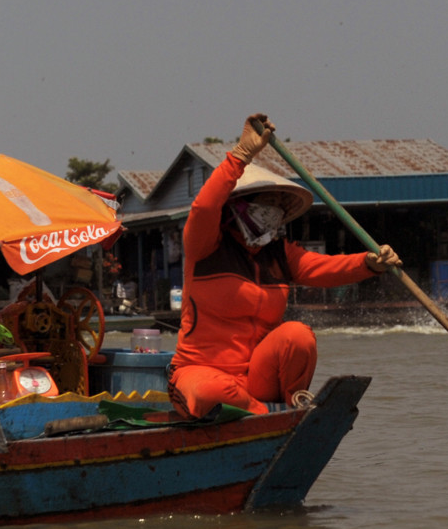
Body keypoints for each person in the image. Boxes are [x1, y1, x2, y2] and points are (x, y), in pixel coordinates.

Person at [167, 114, 401, 418]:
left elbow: (325, 269)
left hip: (256, 376)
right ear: (238, 208)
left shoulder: (278, 253)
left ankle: (293, 401)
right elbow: (204, 207)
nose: (274, 215)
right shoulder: (206, 246)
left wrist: (370, 262)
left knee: (298, 335)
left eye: (278, 209)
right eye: (267, 206)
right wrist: (241, 155)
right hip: (200, 373)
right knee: (216, 392)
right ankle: (271, 417)